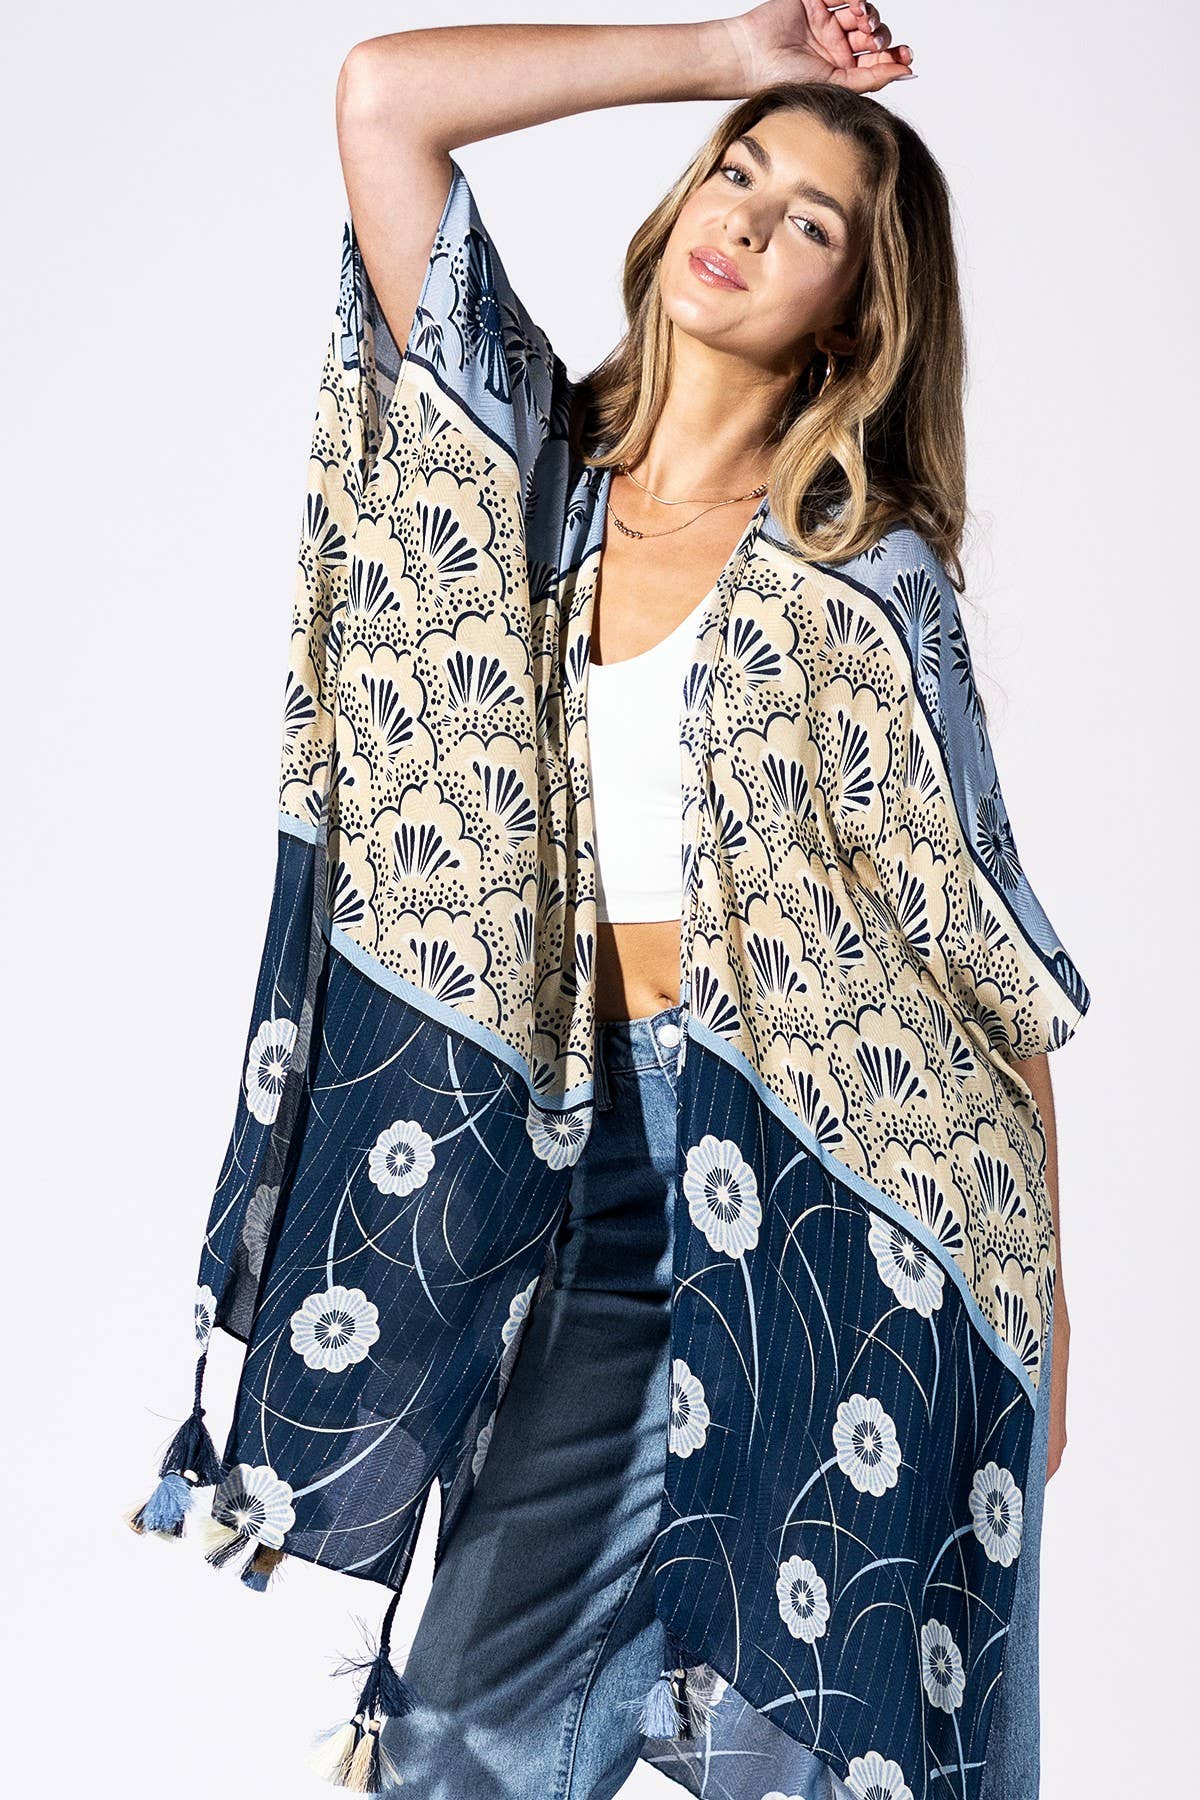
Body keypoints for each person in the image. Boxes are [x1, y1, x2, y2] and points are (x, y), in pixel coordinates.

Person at [128, 7, 1090, 1799]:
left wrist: (1055, 1313)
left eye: (810, 222)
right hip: (589, 1164)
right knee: (466, 1739)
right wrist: (724, 52)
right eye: (741, 174)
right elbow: (386, 103)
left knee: (815, 1741)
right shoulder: (533, 475)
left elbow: (983, 955)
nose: (750, 220)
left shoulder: (861, 579)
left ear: (853, 314)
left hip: (837, 1198)